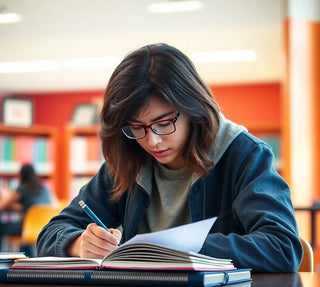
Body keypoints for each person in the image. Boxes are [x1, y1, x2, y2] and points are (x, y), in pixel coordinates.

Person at [37, 43, 302, 272]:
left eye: (163, 123)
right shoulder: (127, 159)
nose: (152, 140)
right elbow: (50, 233)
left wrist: (176, 248)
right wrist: (78, 243)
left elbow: (282, 247)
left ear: (193, 109)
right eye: (136, 127)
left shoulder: (243, 154)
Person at [0, 163, 54, 254]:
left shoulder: (22, 189)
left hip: (27, 227)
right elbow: (50, 205)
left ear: (21, 176)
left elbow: (2, 206)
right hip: (45, 227)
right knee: (23, 226)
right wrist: (21, 207)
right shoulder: (45, 189)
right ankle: (27, 257)